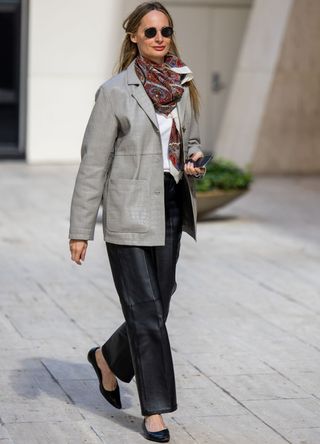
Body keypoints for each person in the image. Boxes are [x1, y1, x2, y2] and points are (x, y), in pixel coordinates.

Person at [68, 2, 206, 442]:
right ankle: (156, 411)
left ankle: (108, 359)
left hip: (168, 207)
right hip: (128, 214)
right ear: (133, 37)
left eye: (166, 30)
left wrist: (194, 157)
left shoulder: (182, 85)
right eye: (150, 32)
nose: (160, 38)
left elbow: (191, 140)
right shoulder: (115, 92)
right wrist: (80, 229)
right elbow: (94, 163)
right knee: (146, 313)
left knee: (159, 302)